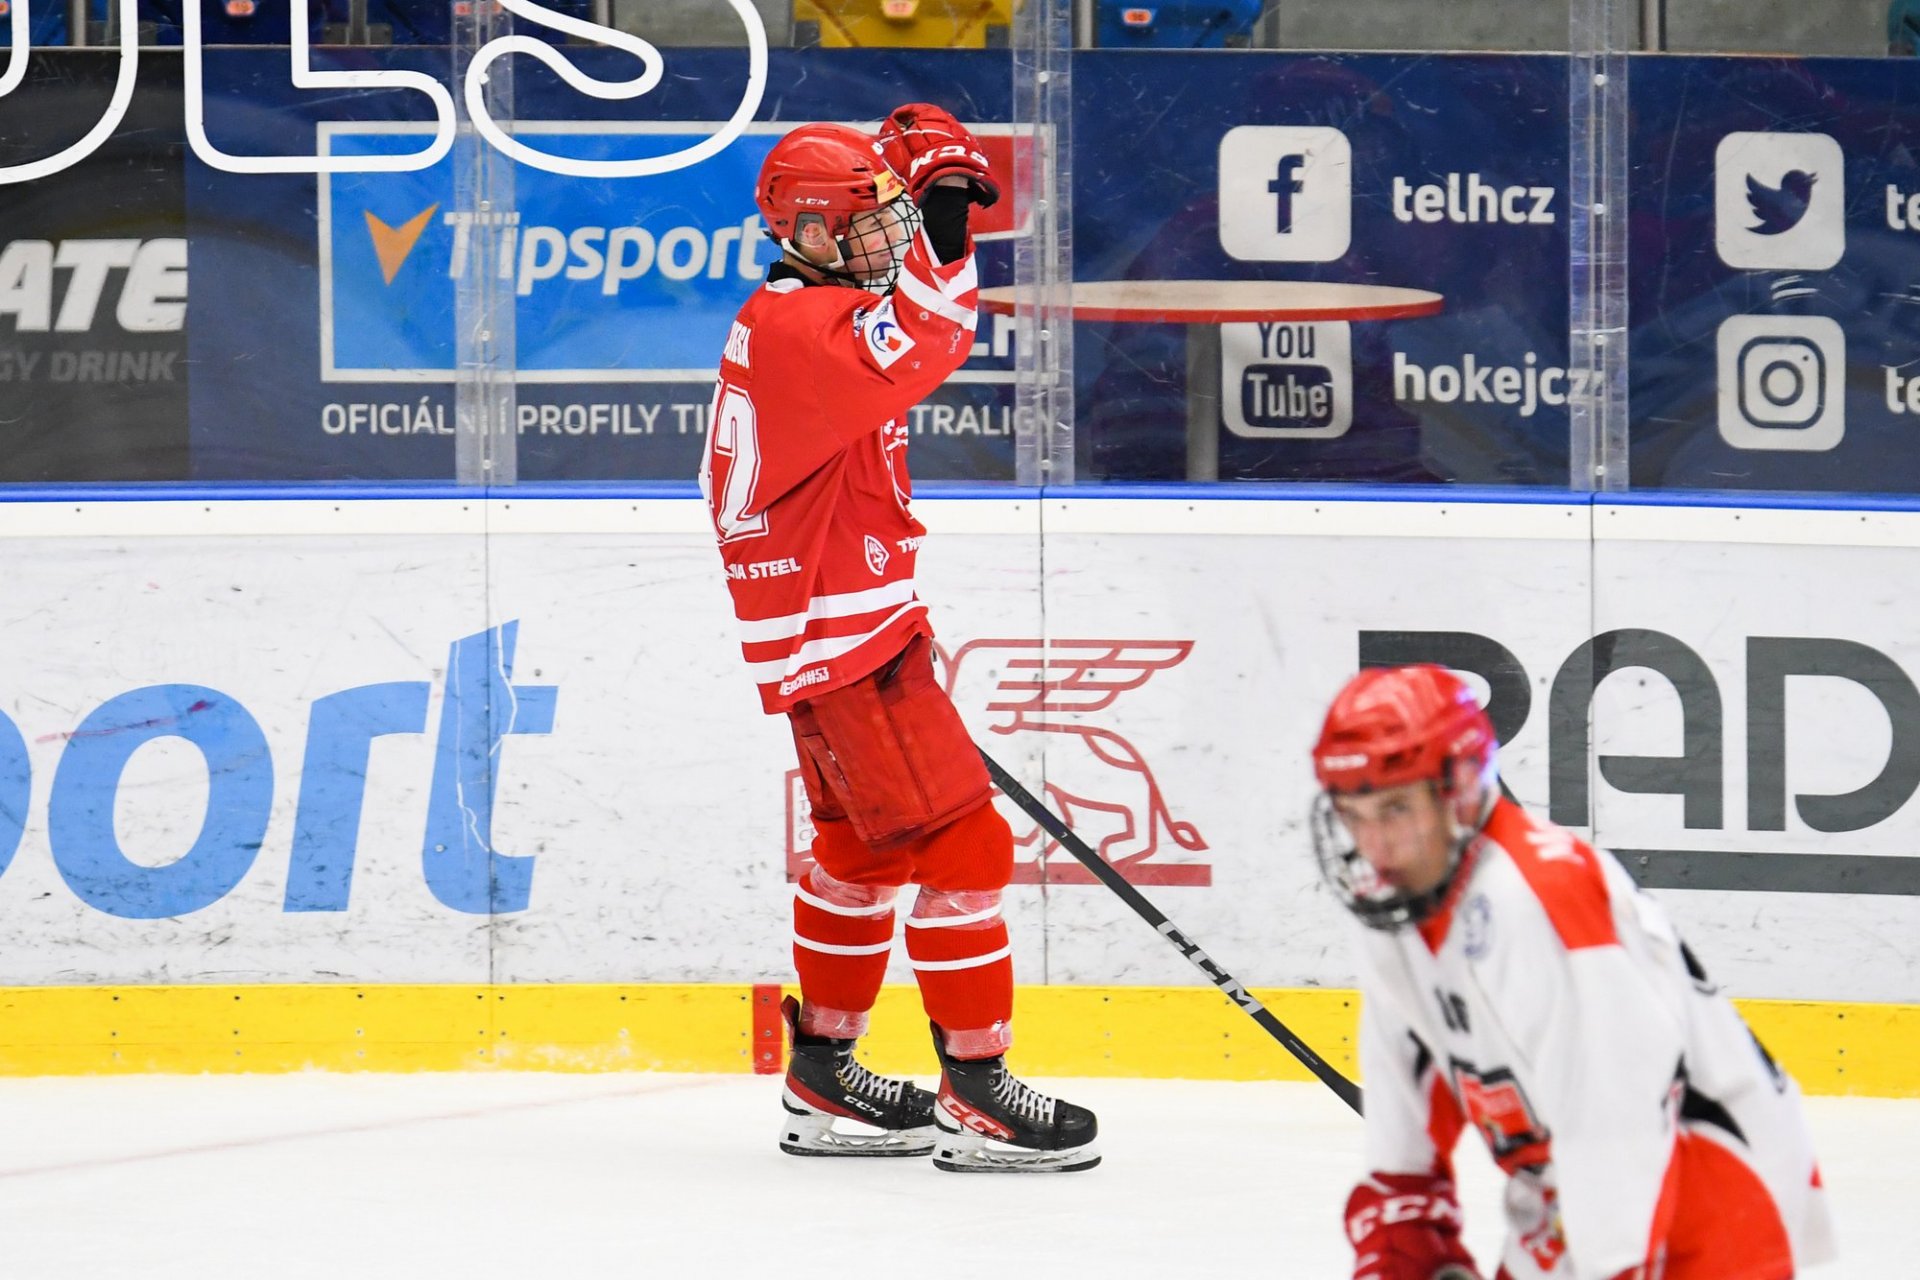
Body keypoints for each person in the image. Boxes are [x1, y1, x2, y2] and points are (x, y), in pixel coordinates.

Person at [697, 104, 1098, 1173]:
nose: (887, 239)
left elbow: (906, 332)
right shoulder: (803, 331)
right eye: (868, 224)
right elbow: (931, 338)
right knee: (967, 850)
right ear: (808, 233)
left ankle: (822, 1073)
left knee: (862, 853)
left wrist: (927, 215)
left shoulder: (798, 316)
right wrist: (950, 218)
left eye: (892, 219)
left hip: (833, 637)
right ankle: (978, 1089)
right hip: (848, 643)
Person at [1309, 665, 1835, 1279]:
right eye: (1354, 814)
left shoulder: (1534, 900)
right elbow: (1407, 1098)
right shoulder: (1396, 899)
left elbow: (1616, 1119)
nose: (1375, 844)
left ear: (1459, 789)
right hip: (1571, 1187)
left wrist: (1612, 1267)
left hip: (1708, 1190)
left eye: (1396, 808)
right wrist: (1405, 1239)